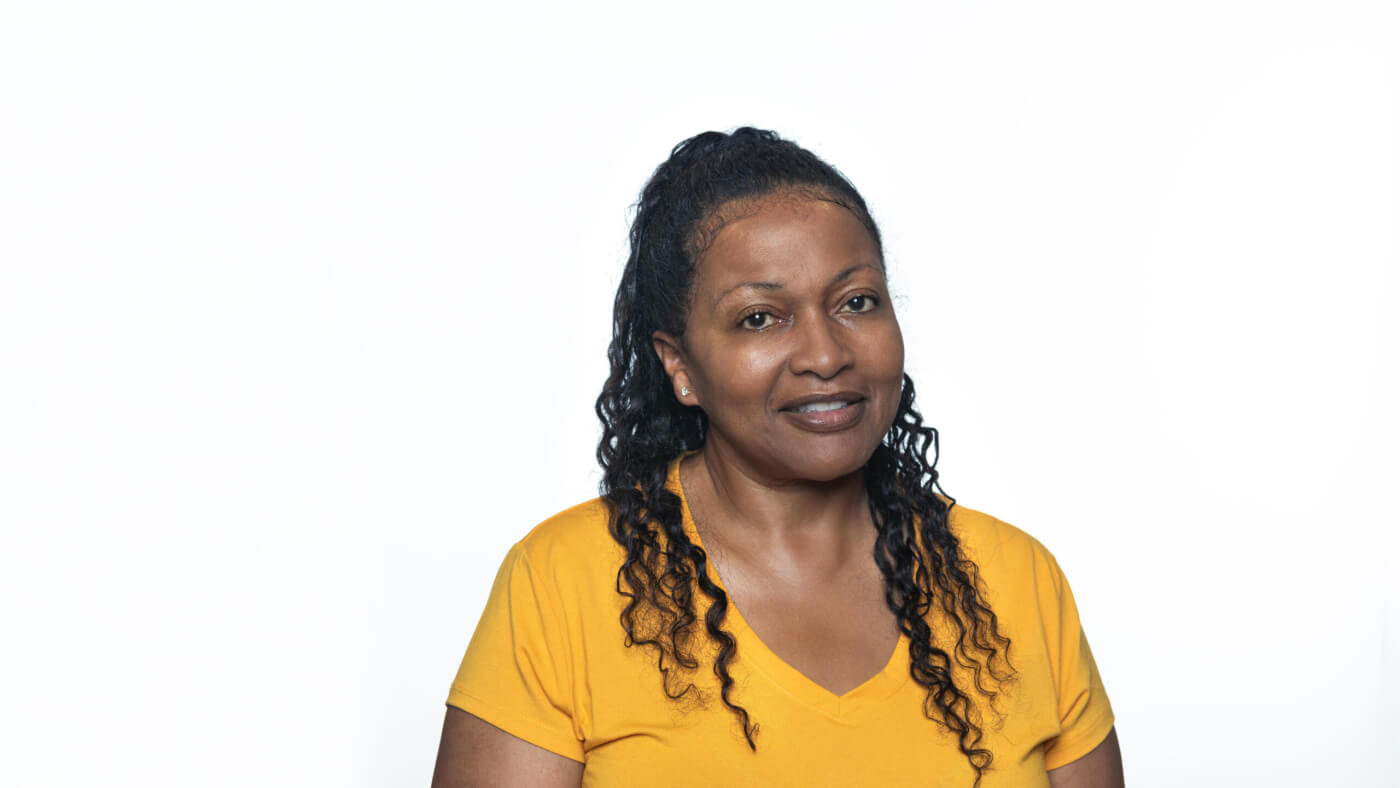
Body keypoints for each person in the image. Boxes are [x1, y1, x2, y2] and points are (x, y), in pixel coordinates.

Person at [431, 128, 1123, 787]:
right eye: (760, 317)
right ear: (681, 366)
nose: (826, 354)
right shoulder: (561, 587)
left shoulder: (1017, 582)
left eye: (857, 302)